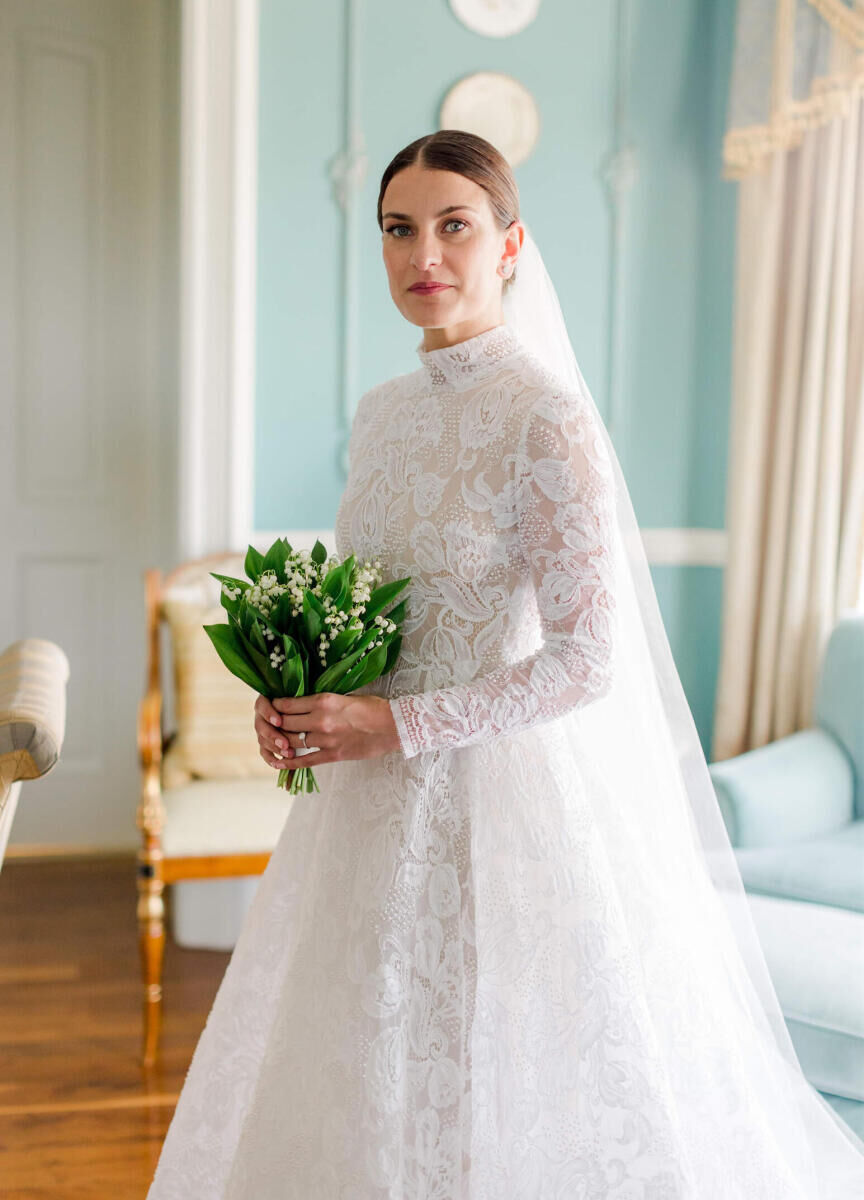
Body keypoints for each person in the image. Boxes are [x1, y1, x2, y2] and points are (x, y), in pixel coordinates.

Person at [147, 130, 864, 1198]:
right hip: (364, 809)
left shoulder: (549, 420)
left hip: (504, 805)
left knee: (501, 1069)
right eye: (398, 229)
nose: (421, 254)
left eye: (453, 226)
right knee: (362, 1050)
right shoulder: (381, 415)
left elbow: (584, 665)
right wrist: (302, 699)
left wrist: (391, 726)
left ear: (511, 244)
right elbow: (369, 611)